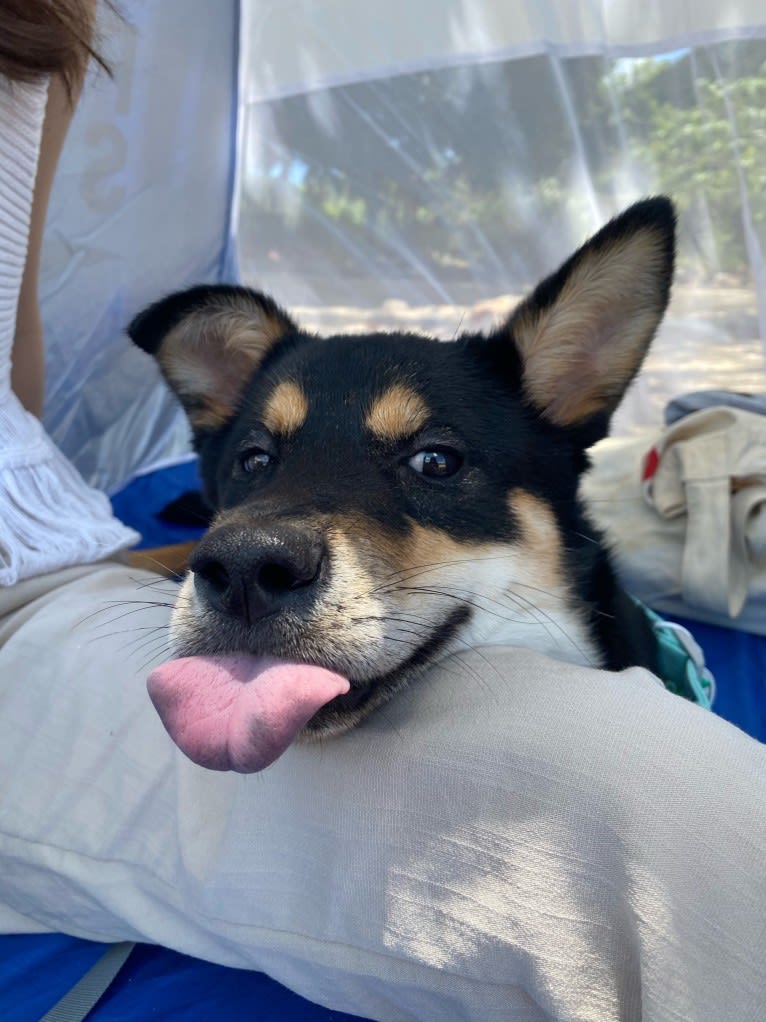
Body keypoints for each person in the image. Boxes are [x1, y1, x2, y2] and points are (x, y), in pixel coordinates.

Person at [0, 4, 765, 1020]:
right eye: (257, 455)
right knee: (680, 821)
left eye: (435, 459)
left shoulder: (47, 24)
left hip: (50, 548)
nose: (253, 548)